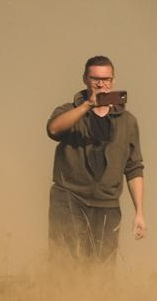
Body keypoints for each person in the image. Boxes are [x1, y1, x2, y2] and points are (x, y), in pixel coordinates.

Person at [44, 55, 146, 261]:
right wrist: (87, 106)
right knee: (64, 262)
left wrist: (139, 213)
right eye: (95, 79)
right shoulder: (69, 111)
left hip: (107, 204)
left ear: (113, 81)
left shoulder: (127, 121)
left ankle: (95, 295)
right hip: (70, 198)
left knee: (102, 268)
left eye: (106, 79)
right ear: (85, 79)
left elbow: (134, 168)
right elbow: (53, 129)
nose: (101, 84)